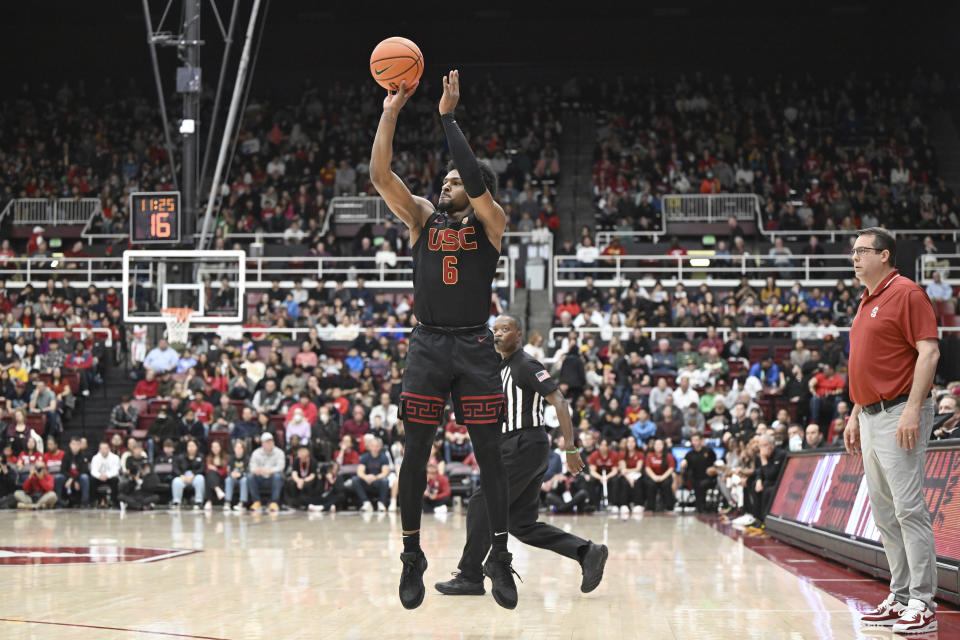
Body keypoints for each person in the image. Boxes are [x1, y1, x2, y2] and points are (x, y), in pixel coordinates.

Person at [370, 71, 515, 609]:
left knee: (489, 459)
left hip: (475, 344)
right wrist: (391, 111)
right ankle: (412, 556)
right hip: (429, 344)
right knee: (414, 454)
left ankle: (497, 556)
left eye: (452, 181)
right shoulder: (423, 218)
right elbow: (380, 174)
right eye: (445, 180)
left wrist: (448, 117)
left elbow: (476, 181)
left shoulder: (492, 222)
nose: (444, 185)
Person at [435, 314, 607, 600]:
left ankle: (470, 576)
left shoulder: (526, 364)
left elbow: (561, 402)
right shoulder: (500, 367)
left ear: (519, 334)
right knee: (521, 524)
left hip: (524, 443)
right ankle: (587, 552)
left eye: (505, 329)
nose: (498, 333)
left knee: (481, 502)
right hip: (518, 445)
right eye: (495, 329)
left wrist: (570, 447)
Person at [845, 228, 940, 633]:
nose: (854, 257)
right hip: (869, 415)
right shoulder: (867, 300)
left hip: (899, 412)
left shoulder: (907, 293)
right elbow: (869, 364)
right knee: (884, 514)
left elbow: (930, 351)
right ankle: (900, 596)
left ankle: (922, 601)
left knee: (908, 510)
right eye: (853, 252)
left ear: (884, 255)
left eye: (862, 251)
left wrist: (913, 409)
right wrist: (854, 413)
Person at [679, 432, 718, 513]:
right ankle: (699, 506)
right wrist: (683, 464)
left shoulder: (708, 451)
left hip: (708, 478)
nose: (695, 442)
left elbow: (716, 464)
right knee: (696, 483)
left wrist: (713, 469)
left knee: (702, 484)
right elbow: (685, 466)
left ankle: (702, 506)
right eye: (693, 440)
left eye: (696, 440)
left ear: (701, 441)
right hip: (695, 478)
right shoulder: (689, 454)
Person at [247, 431, 285, 512]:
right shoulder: (256, 453)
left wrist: (270, 471)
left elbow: (280, 467)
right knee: (250, 476)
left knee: (277, 476)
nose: (269, 443)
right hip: (260, 477)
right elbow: (252, 466)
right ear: (262, 443)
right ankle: (256, 502)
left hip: (273, 478)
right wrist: (256, 470)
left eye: (270, 441)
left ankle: (274, 502)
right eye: (266, 442)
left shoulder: (279, 452)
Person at [354, 437, 392, 512]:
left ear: (380, 447)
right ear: (369, 446)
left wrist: (375, 477)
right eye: (372, 445)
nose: (374, 448)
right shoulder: (364, 457)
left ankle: (382, 503)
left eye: (376, 446)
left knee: (385, 480)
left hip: (378, 481)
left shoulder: (384, 457)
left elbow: (385, 472)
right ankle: (366, 502)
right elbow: (360, 472)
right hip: (367, 481)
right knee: (355, 480)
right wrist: (365, 477)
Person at [643, 438, 675, 512]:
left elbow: (671, 469)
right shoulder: (650, 455)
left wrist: (662, 477)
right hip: (653, 476)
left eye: (660, 444)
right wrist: (654, 477)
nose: (658, 446)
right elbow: (647, 468)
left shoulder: (668, 455)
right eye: (656, 444)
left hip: (665, 476)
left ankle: (669, 508)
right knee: (650, 484)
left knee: (666, 484)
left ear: (663, 446)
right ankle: (650, 507)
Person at [171, 439, 205, 509]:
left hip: (195, 476)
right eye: (189, 446)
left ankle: (198, 502)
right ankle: (176, 502)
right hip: (183, 476)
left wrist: (194, 474)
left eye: (193, 446)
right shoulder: (181, 456)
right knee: (176, 481)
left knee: (200, 479)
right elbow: (175, 468)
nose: (191, 448)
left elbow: (202, 468)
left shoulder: (201, 456)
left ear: (197, 447)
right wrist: (181, 475)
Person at [284, 445, 318, 510]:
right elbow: (294, 473)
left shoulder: (313, 461)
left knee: (307, 485)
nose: (301, 459)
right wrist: (298, 480)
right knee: (291, 483)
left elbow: (312, 475)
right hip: (299, 479)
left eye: (303, 457)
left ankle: (306, 503)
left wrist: (303, 481)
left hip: (308, 479)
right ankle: (293, 503)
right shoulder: (297, 460)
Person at [89, 441, 121, 508]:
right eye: (101, 448)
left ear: (109, 449)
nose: (103, 450)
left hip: (110, 478)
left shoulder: (115, 458)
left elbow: (116, 470)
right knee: (92, 480)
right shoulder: (95, 458)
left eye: (105, 448)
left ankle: (114, 502)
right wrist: (99, 476)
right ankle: (93, 501)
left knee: (115, 480)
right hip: (99, 478)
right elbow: (93, 470)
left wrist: (107, 475)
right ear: (99, 449)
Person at [224, 440, 250, 511]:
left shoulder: (247, 458)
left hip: (242, 477)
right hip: (233, 477)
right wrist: (231, 474)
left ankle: (242, 503)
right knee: (228, 480)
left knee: (244, 480)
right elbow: (228, 470)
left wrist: (240, 474)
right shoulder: (231, 458)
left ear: (243, 449)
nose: (238, 450)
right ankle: (227, 502)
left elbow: (248, 471)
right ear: (234, 449)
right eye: (236, 448)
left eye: (240, 448)